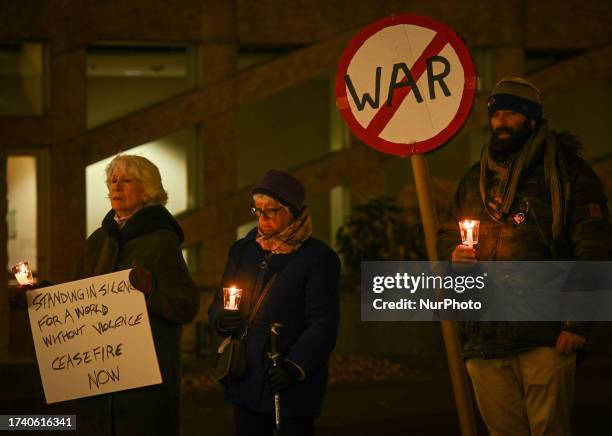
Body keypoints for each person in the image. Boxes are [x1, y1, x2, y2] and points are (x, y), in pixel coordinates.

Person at [437, 78, 612, 435]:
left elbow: (593, 249)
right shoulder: (475, 180)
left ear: (532, 119)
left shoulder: (568, 174)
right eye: (496, 114)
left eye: (511, 113)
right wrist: (452, 257)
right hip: (485, 338)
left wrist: (578, 322)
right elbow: (445, 235)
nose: (501, 121)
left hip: (546, 337)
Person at [73, 154, 200, 435]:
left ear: (147, 191)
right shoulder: (97, 241)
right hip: (98, 381)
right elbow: (77, 298)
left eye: (126, 180)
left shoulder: (162, 240)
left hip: (143, 389)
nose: (116, 186)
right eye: (113, 180)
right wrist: (41, 297)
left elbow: (186, 305)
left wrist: (151, 289)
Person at [208, 169, 340, 436]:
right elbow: (218, 302)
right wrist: (222, 318)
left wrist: (295, 365)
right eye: (258, 210)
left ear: (293, 211)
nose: (263, 218)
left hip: (287, 384)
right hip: (245, 377)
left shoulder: (317, 258)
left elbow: (323, 322)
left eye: (272, 210)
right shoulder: (243, 250)